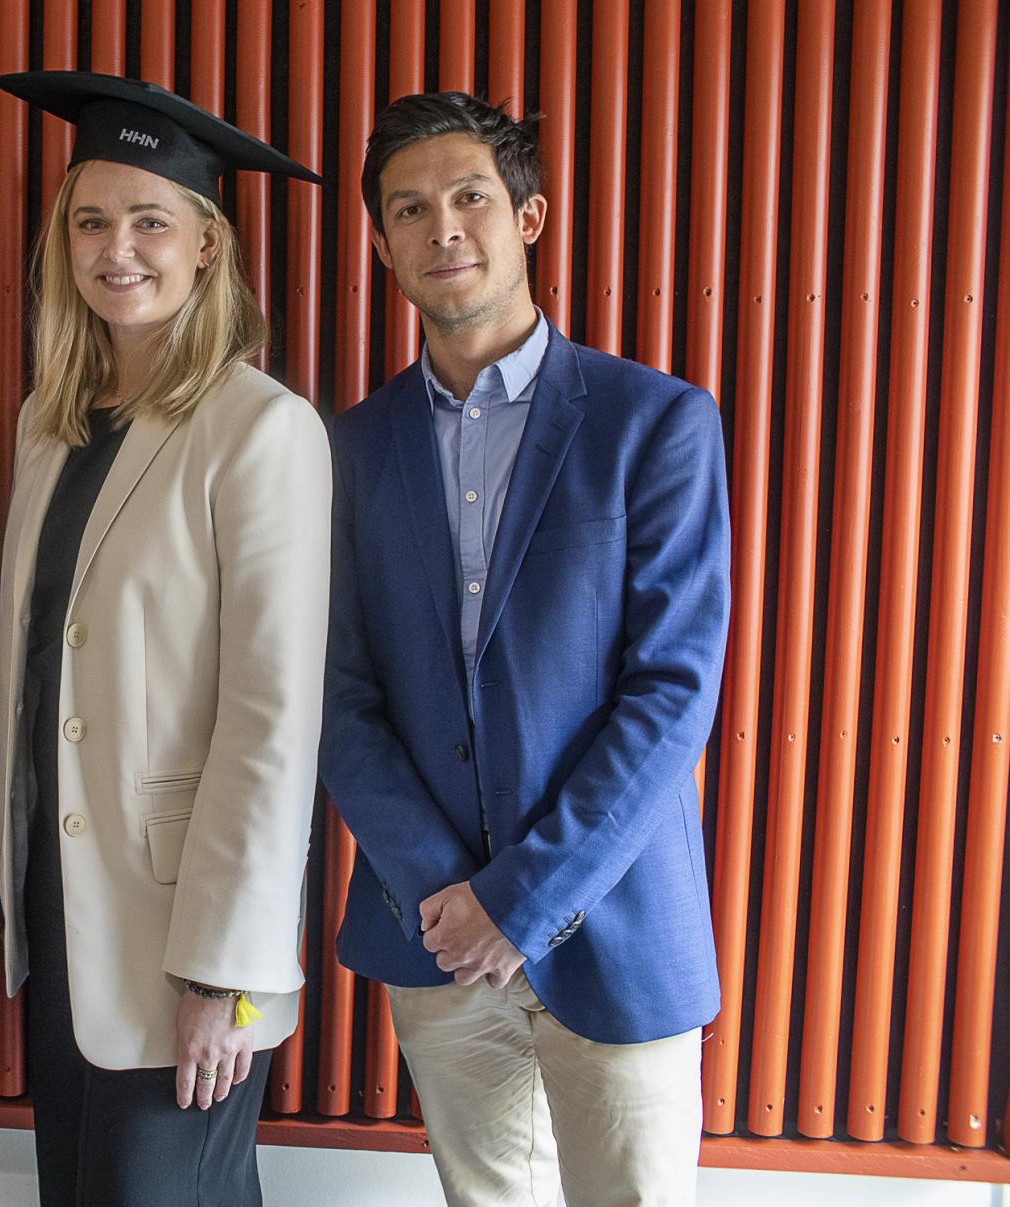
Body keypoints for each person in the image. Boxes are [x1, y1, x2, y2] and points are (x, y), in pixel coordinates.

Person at [321, 92, 731, 1205]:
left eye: (469, 197)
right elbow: (336, 696)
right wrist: (446, 897)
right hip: (436, 936)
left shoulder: (653, 422)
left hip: (616, 926)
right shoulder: (350, 446)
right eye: (408, 209)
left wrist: (520, 899)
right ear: (379, 242)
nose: (441, 227)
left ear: (528, 217)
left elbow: (672, 692)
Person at [0, 71, 329, 1206]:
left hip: (188, 937)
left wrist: (225, 973)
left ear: (207, 245)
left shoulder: (261, 430)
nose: (116, 249)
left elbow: (272, 720)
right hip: (67, 918)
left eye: (149, 221)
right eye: (90, 222)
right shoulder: (50, 427)